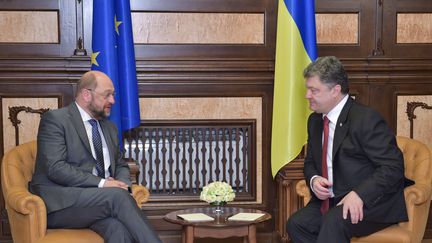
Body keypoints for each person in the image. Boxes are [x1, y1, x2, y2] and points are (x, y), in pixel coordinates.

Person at [29, 71, 161, 243]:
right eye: (107, 95)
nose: (112, 101)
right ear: (86, 94)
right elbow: (56, 168)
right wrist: (104, 183)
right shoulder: (56, 120)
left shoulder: (109, 127)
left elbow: (120, 163)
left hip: (99, 202)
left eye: (113, 95)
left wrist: (122, 183)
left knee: (117, 229)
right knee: (117, 196)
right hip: (62, 204)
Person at [287, 56, 408, 242]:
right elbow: (310, 161)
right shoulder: (315, 120)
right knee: (297, 223)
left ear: (335, 90)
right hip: (333, 200)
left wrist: (360, 194)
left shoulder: (366, 119)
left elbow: (393, 167)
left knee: (334, 220)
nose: (307, 95)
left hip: (371, 201)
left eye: (314, 90)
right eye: (307, 89)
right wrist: (314, 180)